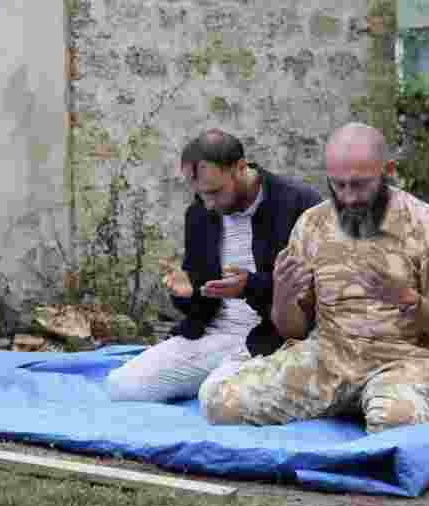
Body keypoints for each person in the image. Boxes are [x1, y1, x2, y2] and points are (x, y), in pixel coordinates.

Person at [198, 122, 429, 434]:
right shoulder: (312, 224)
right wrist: (283, 299)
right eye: (338, 185)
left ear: (388, 170)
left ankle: (379, 403)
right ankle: (347, 403)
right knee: (219, 401)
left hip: (404, 361)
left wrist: (412, 303)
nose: (348, 197)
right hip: (328, 358)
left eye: (360, 185)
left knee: (397, 423)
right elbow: (295, 329)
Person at [106, 129, 323, 403]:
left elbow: (314, 290)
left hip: (273, 339)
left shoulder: (299, 204)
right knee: (121, 386)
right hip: (212, 336)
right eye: (200, 194)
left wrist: (249, 286)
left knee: (216, 397)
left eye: (215, 192)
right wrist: (188, 293)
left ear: (240, 168)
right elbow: (201, 306)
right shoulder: (200, 213)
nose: (208, 204)